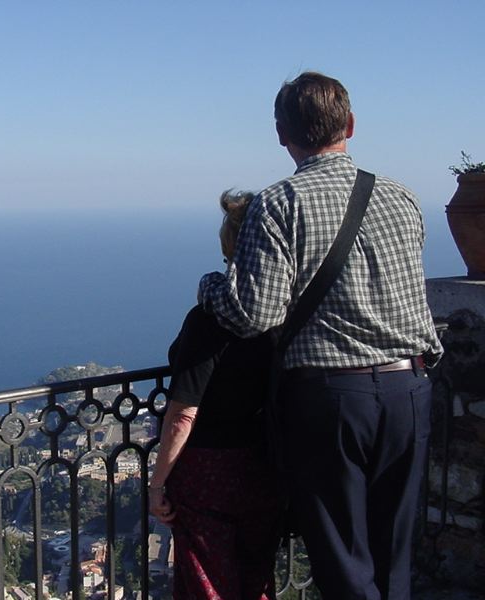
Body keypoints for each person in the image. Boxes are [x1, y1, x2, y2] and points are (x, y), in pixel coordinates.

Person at [198, 72, 442, 600]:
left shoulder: (278, 203)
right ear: (350, 124)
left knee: (343, 558)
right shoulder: (402, 197)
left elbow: (254, 315)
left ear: (281, 133)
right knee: (394, 555)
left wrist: (210, 286)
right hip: (409, 386)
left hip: (331, 398)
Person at [148, 191, 281, 600]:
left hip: (209, 474)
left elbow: (183, 415)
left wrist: (157, 485)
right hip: (266, 465)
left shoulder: (209, 319)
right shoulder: (289, 317)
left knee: (208, 583)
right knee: (256, 577)